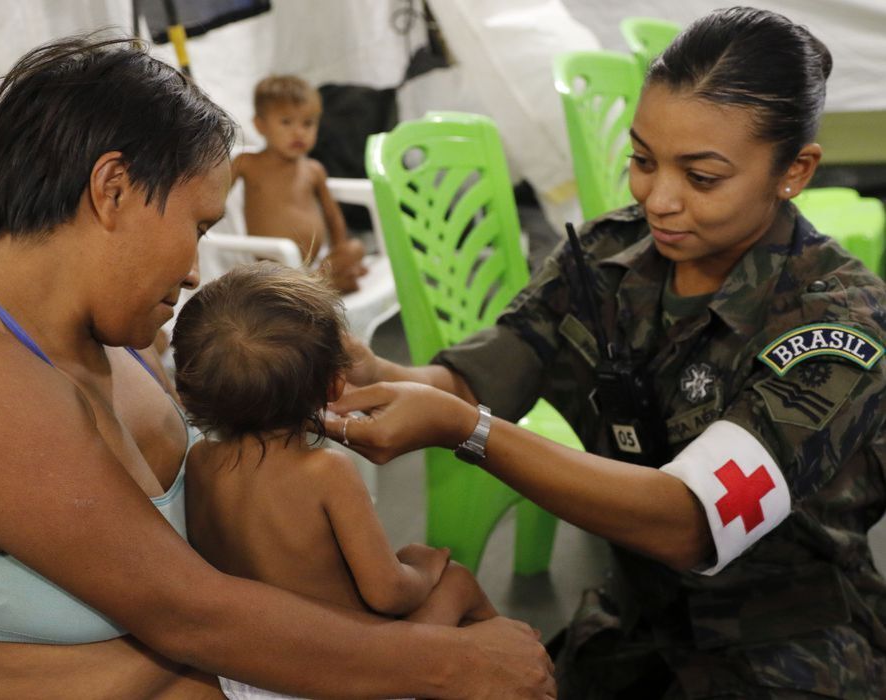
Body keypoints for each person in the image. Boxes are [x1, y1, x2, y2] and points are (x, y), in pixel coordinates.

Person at [0, 36, 554, 699]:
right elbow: (190, 612)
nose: (195, 271)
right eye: (197, 226)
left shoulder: (112, 337)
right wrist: (446, 666)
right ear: (113, 188)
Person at [327, 7, 886, 698]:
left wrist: (465, 433)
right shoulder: (603, 259)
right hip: (638, 622)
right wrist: (377, 373)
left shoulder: (835, 324)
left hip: (787, 648)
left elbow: (692, 520)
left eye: (702, 177)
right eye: (643, 160)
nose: (659, 198)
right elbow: (486, 374)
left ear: (793, 171)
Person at [173, 261, 497, 698]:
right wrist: (425, 565)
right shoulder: (325, 471)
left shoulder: (198, 462)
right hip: (344, 677)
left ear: (189, 389)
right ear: (335, 382)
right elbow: (387, 594)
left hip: (250, 679)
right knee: (456, 583)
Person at [233, 74, 367, 293]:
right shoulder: (248, 164)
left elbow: (332, 215)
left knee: (355, 248)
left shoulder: (314, 170)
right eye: (286, 122)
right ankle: (323, 285)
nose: (299, 132)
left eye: (308, 123)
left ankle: (317, 283)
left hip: (315, 263)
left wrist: (340, 248)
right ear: (260, 125)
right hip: (273, 265)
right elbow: (214, 193)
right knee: (341, 278)